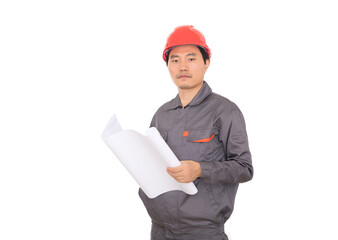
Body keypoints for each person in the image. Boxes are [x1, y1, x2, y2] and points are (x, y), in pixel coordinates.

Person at [139, 25, 253, 240]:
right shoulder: (162, 113)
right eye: (175, 60)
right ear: (168, 66)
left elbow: (244, 168)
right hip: (160, 229)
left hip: (202, 232)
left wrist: (201, 169)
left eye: (191, 59)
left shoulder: (225, 111)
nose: (182, 66)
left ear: (206, 63)